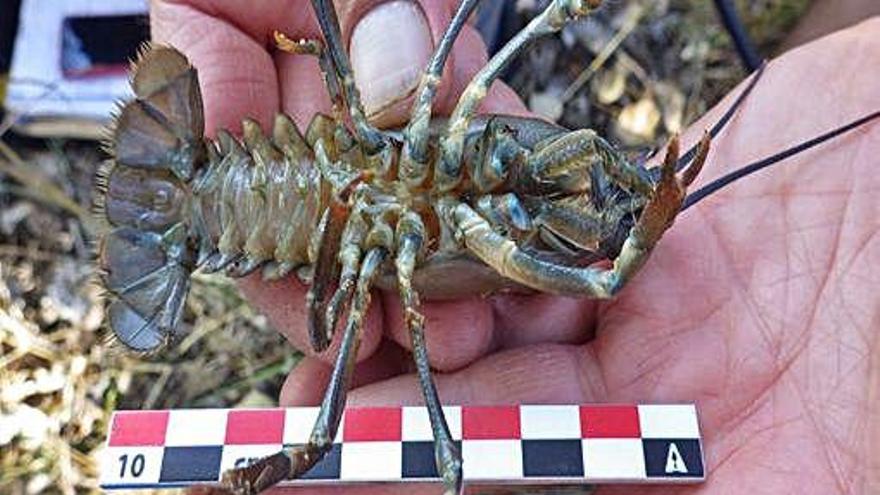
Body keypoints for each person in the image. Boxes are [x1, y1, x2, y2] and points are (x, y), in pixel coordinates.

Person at [151, 1, 880, 493]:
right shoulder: (519, 160)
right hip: (281, 187)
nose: (608, 190)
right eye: (624, 181)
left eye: (627, 209)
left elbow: (601, 283)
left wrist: (639, 229)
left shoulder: (524, 244)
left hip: (343, 239)